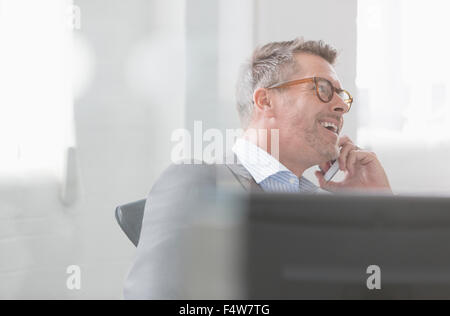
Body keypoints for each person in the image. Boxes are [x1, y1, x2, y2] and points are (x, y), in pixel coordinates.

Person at [123, 38, 391, 299]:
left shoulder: (328, 209)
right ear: (265, 101)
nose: (341, 106)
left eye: (342, 96)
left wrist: (378, 209)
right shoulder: (198, 181)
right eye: (322, 89)